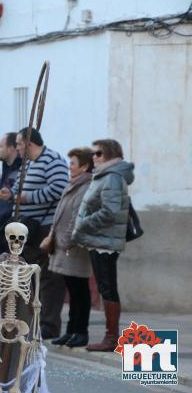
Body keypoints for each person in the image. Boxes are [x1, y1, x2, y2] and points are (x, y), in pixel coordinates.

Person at [0, 127, 69, 339]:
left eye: (19, 144)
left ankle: (49, 325)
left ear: (29, 144)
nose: (17, 148)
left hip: (44, 226)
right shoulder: (27, 164)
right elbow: (20, 190)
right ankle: (31, 320)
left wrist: (26, 198)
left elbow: (59, 189)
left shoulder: (52, 160)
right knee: (27, 277)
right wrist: (11, 195)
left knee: (48, 278)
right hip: (26, 227)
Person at [72, 139, 134, 352]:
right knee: (105, 287)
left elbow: (110, 211)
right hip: (99, 240)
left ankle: (111, 338)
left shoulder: (112, 178)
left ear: (110, 155)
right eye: (93, 153)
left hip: (105, 241)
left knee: (108, 288)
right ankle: (111, 336)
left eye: (98, 153)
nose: (94, 157)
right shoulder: (104, 176)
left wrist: (83, 224)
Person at [40, 147, 94, 348]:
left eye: (72, 163)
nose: (69, 167)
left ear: (84, 166)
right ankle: (71, 330)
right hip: (63, 244)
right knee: (72, 289)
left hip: (73, 246)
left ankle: (81, 331)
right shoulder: (73, 183)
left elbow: (77, 217)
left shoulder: (86, 186)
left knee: (80, 290)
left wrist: (65, 240)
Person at [0, 132, 22, 256]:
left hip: (6, 232)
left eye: (1, 146)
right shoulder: (6, 169)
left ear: (11, 148)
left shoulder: (20, 170)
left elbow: (8, 205)